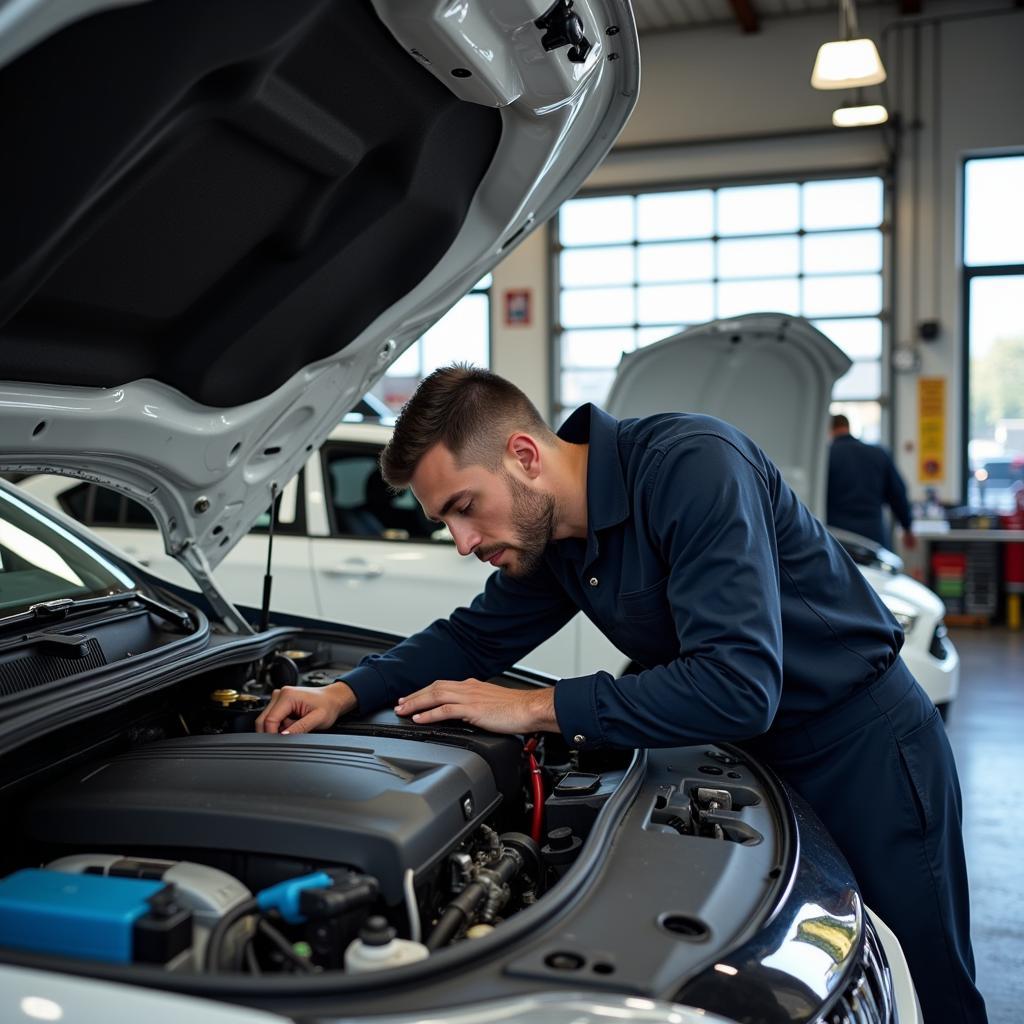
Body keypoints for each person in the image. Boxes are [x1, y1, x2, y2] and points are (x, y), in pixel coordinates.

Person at [256, 367, 986, 1023]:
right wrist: (347, 693)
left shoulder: (693, 468)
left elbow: (737, 685)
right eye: (446, 520)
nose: (462, 540)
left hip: (864, 752)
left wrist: (537, 707)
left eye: (464, 506)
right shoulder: (556, 538)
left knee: (924, 987)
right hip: (755, 766)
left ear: (525, 456)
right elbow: (474, 637)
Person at [827, 413, 916, 551]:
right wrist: (907, 527)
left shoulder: (827, 456)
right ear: (848, 427)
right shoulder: (878, 454)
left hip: (837, 537)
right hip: (873, 536)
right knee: (874, 572)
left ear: (830, 430)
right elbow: (898, 493)